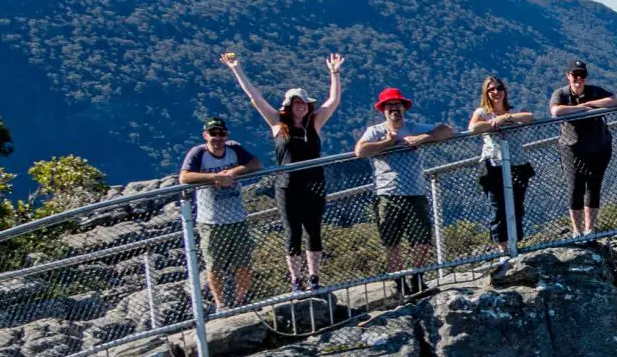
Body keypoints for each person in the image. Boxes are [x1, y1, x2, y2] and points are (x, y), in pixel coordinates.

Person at [221, 49, 343, 292]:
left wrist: (335, 75)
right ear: (289, 105)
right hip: (287, 185)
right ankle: (295, 279)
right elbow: (255, 98)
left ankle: (314, 277)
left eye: (304, 103)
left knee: (313, 230)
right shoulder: (277, 123)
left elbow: (333, 101)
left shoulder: (314, 123)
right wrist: (237, 70)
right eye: (297, 102)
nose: (301, 106)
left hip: (314, 184)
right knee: (292, 232)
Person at [353, 88, 454, 291]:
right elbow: (360, 151)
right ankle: (399, 283)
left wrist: (422, 138)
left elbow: (447, 130)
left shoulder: (414, 127)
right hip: (386, 193)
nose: (394, 109)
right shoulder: (375, 131)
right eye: (389, 105)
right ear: (383, 110)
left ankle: (417, 279)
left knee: (421, 240)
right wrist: (387, 142)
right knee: (392, 242)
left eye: (397, 105)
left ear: (403, 107)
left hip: (415, 192)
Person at [179, 118, 260, 309]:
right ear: (205, 135)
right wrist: (214, 177)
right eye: (213, 133)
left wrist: (233, 173)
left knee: (244, 264)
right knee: (214, 266)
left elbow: (256, 163)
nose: (217, 138)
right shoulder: (199, 153)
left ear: (227, 135)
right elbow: (184, 176)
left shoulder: (234, 149)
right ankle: (220, 303)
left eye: (221, 133)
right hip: (210, 221)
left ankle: (242, 301)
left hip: (237, 217)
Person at [548, 61, 617, 235]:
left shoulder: (594, 91)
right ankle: (576, 231)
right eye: (574, 75)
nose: (578, 79)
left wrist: (593, 105)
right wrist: (581, 108)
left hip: (599, 146)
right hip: (572, 148)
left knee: (594, 187)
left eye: (582, 75)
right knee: (575, 188)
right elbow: (556, 111)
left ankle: (590, 230)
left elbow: (614, 100)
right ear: (568, 76)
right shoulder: (561, 94)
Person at [465, 75, 537, 249]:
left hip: (517, 164)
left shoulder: (515, 110)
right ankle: (503, 249)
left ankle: (515, 244)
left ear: (505, 91)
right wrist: (492, 123)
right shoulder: (482, 112)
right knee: (498, 207)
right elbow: (473, 128)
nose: (496, 92)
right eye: (491, 89)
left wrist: (505, 118)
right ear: (486, 93)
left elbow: (529, 117)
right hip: (493, 165)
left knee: (517, 205)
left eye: (499, 88)